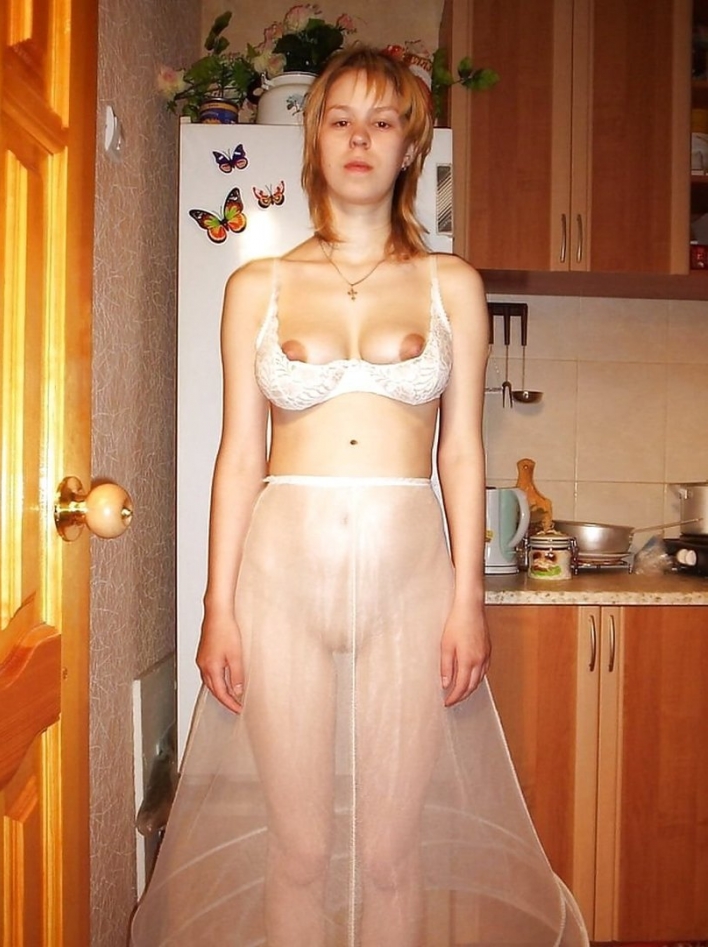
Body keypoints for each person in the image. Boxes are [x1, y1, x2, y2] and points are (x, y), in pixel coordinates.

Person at [130, 46, 588, 947]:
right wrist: (218, 609)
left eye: (382, 122)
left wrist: (467, 601)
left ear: (410, 147)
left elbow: (462, 449)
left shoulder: (452, 284)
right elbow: (239, 455)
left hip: (409, 589)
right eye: (340, 119)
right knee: (299, 850)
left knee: (388, 852)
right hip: (279, 589)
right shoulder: (255, 285)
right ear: (316, 137)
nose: (359, 138)